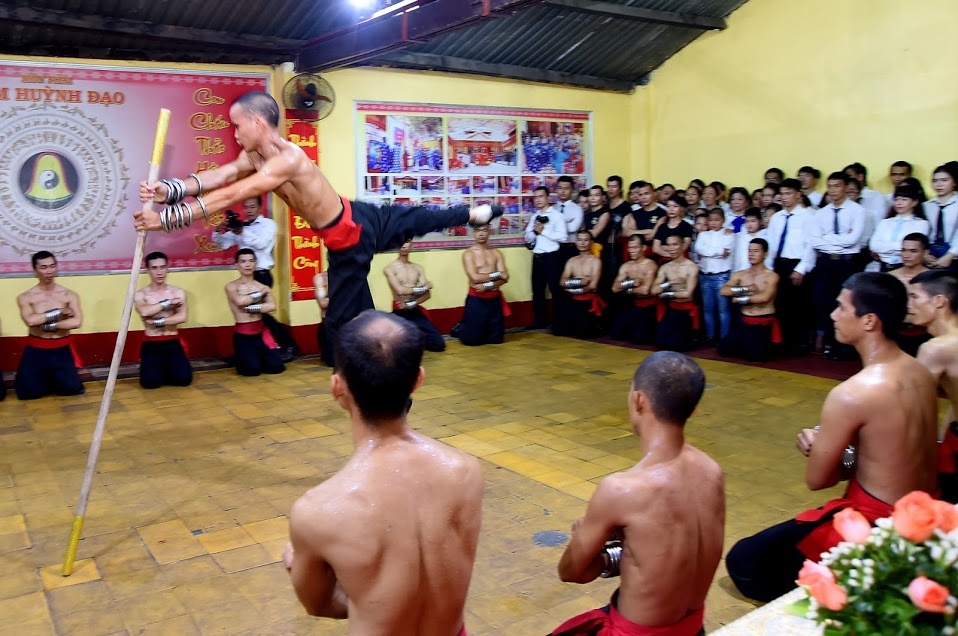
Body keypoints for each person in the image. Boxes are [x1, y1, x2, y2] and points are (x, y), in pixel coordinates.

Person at [134, 91, 500, 356]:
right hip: (350, 226)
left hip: (352, 232)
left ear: (258, 122)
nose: (234, 133)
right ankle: (385, 357)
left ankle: (474, 213)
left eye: (237, 125)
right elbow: (219, 177)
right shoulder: (255, 154)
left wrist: (165, 220)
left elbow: (235, 193)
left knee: (416, 224)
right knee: (357, 314)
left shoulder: (288, 159)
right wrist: (168, 190)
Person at [726, 272, 939, 602]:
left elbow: (819, 480)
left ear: (869, 321)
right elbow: (890, 451)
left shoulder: (852, 394)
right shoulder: (920, 372)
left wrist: (819, 447)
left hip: (877, 521)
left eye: (841, 307)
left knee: (743, 560)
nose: (832, 314)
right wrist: (854, 449)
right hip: (924, 508)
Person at [284, 311, 483, 634]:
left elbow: (320, 605)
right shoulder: (465, 471)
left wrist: (298, 564)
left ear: (337, 387)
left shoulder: (317, 511)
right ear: (418, 379)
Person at [550, 352, 724, 636]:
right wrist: (618, 555)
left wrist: (582, 539)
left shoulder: (622, 490)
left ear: (639, 400)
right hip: (693, 629)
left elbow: (571, 572)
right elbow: (671, 561)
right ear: (691, 410)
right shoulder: (712, 472)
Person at [211, 196, 298, 361]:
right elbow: (222, 244)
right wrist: (217, 230)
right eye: (246, 207)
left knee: (262, 315)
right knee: (246, 315)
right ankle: (245, 352)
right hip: (245, 277)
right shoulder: (240, 226)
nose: (248, 210)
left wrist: (242, 232)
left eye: (252, 207)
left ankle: (289, 345)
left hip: (261, 275)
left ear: (260, 207)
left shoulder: (268, 225)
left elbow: (262, 244)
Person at [908, 270, 958, 503]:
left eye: (915, 297)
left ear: (939, 301)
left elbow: (912, 409)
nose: (909, 305)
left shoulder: (936, 348)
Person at [809, 172, 867, 359]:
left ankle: (846, 346)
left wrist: (828, 238)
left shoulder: (857, 210)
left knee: (848, 304)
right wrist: (838, 240)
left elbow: (853, 239)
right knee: (825, 303)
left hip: (847, 263)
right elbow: (815, 241)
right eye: (830, 186)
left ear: (845, 187)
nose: (833, 190)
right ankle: (829, 343)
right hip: (826, 262)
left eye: (837, 186)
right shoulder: (821, 213)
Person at [15, 251, 85, 400]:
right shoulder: (26, 297)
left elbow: (76, 322)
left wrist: (47, 325)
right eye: (44, 267)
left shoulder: (69, 295)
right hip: (36, 350)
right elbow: (31, 321)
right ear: (35, 270)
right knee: (29, 393)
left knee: (71, 390)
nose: (49, 271)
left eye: (53, 266)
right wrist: (59, 311)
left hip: (61, 349)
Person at [134, 251, 193, 389]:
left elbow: (182, 317)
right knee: (150, 384)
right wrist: (167, 303)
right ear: (148, 270)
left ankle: (167, 370)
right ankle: (157, 370)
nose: (159, 272)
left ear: (167, 268)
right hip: (151, 344)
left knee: (184, 380)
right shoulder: (141, 294)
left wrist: (156, 322)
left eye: (162, 267)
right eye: (154, 268)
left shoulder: (177, 292)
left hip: (172, 342)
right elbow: (144, 311)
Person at [226, 248, 285, 376]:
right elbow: (240, 301)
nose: (247, 264)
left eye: (251, 261)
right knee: (251, 371)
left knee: (277, 367)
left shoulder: (262, 286)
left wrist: (251, 308)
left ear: (255, 264)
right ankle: (245, 358)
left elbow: (272, 306)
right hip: (243, 335)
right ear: (237, 265)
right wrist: (259, 296)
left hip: (261, 333)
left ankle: (258, 357)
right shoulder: (232, 286)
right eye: (243, 261)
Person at [718, 239, 780, 361]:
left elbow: (764, 297)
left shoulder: (771, 276)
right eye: (749, 251)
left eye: (756, 251)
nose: (751, 254)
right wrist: (746, 288)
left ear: (765, 254)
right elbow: (723, 291)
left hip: (762, 323)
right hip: (744, 322)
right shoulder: (740, 274)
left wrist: (738, 299)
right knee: (723, 349)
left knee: (756, 356)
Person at [384, 239, 445, 352]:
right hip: (399, 311)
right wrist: (423, 287)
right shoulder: (389, 268)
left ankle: (415, 338)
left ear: (411, 245)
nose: (403, 245)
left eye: (407, 241)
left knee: (438, 344)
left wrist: (412, 303)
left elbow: (427, 295)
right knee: (397, 349)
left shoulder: (418, 268)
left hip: (414, 310)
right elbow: (400, 290)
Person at [459, 223, 510, 346]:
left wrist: (486, 286)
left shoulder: (496, 253)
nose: (481, 234)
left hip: (494, 299)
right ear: (474, 234)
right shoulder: (469, 254)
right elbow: (475, 278)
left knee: (497, 340)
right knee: (472, 341)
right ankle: (461, 328)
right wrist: (497, 274)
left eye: (484, 230)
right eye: (478, 231)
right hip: (477, 299)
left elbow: (505, 277)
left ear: (489, 232)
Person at [524, 186, 566, 331]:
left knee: (556, 291)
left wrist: (544, 231)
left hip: (552, 257)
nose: (538, 200)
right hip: (537, 257)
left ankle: (558, 324)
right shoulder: (534, 217)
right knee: (537, 291)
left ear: (548, 198)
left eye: (541, 196)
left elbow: (563, 237)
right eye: (535, 197)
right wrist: (532, 235)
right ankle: (539, 321)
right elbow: (528, 235)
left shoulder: (556, 216)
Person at [693, 209, 734, 344]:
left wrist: (709, 252)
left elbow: (726, 252)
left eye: (717, 220)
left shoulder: (729, 235)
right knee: (707, 308)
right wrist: (717, 252)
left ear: (723, 220)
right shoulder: (703, 235)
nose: (713, 223)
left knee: (723, 309)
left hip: (721, 276)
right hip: (705, 276)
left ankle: (724, 337)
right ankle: (710, 335)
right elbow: (699, 249)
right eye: (710, 220)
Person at [652, 235, 699, 352]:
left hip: (686, 312)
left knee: (676, 346)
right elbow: (653, 290)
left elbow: (687, 294)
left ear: (683, 246)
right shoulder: (665, 267)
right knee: (661, 343)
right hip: (672, 310)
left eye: (675, 244)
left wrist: (666, 294)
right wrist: (670, 283)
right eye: (668, 245)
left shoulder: (691, 267)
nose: (671, 248)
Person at [868, 183, 930, 272]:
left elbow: (913, 247)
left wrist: (885, 248)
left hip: (905, 266)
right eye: (896, 199)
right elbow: (874, 246)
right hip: (883, 266)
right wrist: (898, 246)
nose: (899, 203)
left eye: (904, 199)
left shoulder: (921, 224)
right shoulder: (884, 222)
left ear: (914, 202)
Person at [610, 235, 659, 344]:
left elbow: (645, 290)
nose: (631, 251)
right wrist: (631, 282)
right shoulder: (626, 266)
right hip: (634, 303)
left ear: (643, 248)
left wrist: (626, 287)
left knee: (640, 338)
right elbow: (614, 288)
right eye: (630, 247)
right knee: (616, 333)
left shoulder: (650, 265)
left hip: (649, 306)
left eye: (635, 247)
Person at [891, 233, 931, 356]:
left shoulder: (933, 279)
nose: (906, 255)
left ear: (925, 253)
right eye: (903, 250)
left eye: (913, 251)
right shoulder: (890, 277)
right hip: (894, 333)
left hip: (925, 335)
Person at [560, 230, 605, 339]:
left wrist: (571, 286)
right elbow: (562, 282)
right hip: (574, 300)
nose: (582, 243)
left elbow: (592, 286)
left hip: (588, 302)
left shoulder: (596, 261)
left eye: (586, 240)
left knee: (584, 333)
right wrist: (579, 282)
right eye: (579, 240)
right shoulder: (572, 261)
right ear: (576, 242)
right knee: (559, 330)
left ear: (591, 242)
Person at [924, 163, 958, 270]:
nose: (939, 184)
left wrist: (950, 255)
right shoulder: (926, 206)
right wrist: (924, 254)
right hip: (930, 254)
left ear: (954, 182)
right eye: (935, 181)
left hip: (954, 256)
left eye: (944, 180)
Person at [652, 195, 694, 262]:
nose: (671, 209)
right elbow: (656, 248)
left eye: (675, 206)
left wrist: (664, 247)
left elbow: (684, 247)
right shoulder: (662, 227)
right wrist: (671, 253)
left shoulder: (686, 227)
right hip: (664, 260)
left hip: (681, 261)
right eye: (668, 206)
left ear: (682, 208)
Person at [732, 208, 766, 273]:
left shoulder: (765, 236)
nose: (749, 224)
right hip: (741, 272)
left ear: (760, 221)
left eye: (753, 221)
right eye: (747, 221)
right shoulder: (740, 237)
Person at [314, 271, 332, 365]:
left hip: (346, 324)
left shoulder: (352, 275)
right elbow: (323, 303)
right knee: (331, 362)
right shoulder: (321, 278)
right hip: (328, 324)